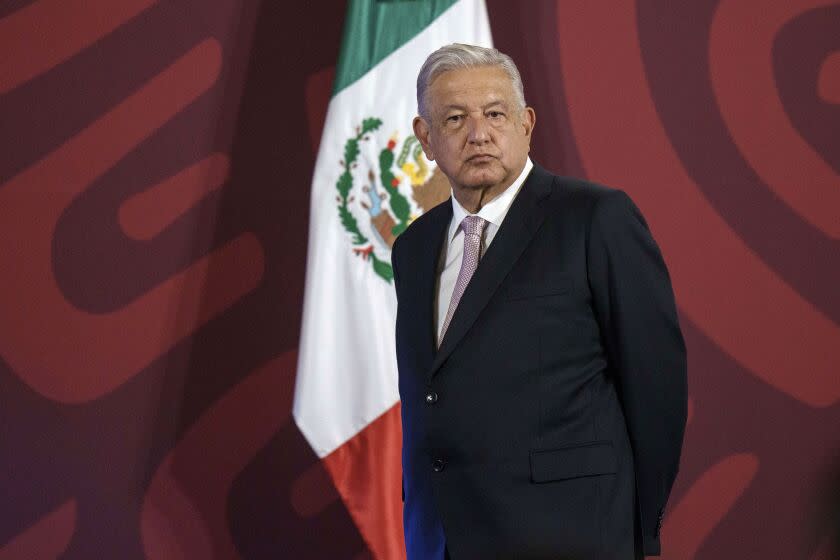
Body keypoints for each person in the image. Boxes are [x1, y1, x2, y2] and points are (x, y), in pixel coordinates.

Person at [390, 43, 687, 560]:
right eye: (455, 118)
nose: (478, 134)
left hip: (572, 537)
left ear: (526, 122)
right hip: (443, 542)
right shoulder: (413, 249)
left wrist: (638, 535)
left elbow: (656, 390)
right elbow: (431, 397)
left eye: (495, 113)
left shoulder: (597, 219)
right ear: (426, 139)